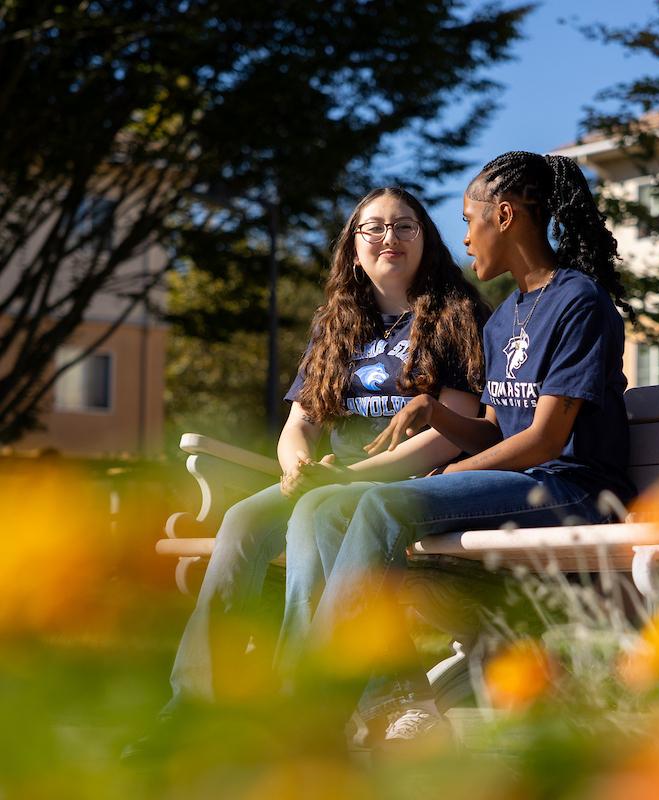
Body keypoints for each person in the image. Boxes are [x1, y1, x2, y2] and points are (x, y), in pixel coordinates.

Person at [293, 151, 638, 743]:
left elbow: (546, 439)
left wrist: (437, 480)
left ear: (503, 216)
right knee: (329, 508)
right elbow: (500, 429)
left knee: (381, 503)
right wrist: (438, 416)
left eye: (467, 219)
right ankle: (395, 695)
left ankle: (313, 709)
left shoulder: (578, 301)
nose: (464, 239)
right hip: (527, 483)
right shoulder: (504, 318)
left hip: (576, 489)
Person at [164, 187, 488, 714]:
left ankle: (298, 696)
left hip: (408, 485)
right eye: (375, 227)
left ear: (426, 239)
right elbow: (299, 423)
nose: (390, 237)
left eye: (406, 226)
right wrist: (297, 469)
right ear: (353, 246)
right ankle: (192, 703)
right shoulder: (338, 324)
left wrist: (350, 477)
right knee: (244, 519)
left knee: (311, 520)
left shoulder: (457, 316)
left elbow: (453, 431)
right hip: (328, 477)